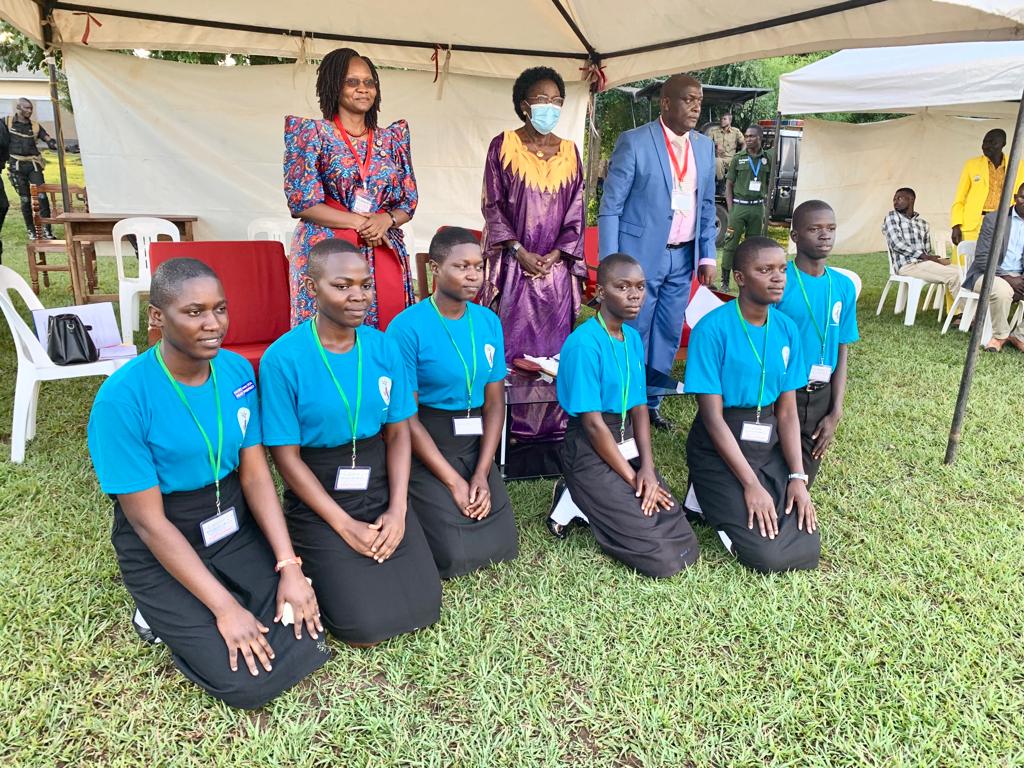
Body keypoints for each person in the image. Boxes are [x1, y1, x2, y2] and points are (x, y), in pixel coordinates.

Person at [87, 258, 329, 710]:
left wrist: (288, 565)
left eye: (219, 309)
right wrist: (225, 609)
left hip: (230, 519)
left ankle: (221, 593)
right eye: (194, 312)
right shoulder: (122, 398)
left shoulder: (236, 372)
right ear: (157, 318)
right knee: (246, 681)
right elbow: (148, 524)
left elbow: (255, 472)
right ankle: (158, 607)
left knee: (308, 630)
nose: (212, 324)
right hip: (165, 531)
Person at [260, 239, 441, 646]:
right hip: (319, 488)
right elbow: (285, 458)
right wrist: (343, 525)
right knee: (362, 625)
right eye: (342, 285)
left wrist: (397, 509)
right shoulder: (282, 359)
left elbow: (398, 433)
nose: (358, 296)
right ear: (312, 289)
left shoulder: (383, 346)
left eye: (365, 285)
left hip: (377, 477)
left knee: (424, 605)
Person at [554, 253, 699, 578]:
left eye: (640, 287)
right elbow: (592, 424)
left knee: (682, 536)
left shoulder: (632, 339)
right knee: (663, 559)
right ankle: (573, 497)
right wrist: (634, 479)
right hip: (591, 449)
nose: (635, 295)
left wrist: (647, 469)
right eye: (623, 287)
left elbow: (638, 409)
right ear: (602, 292)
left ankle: (591, 500)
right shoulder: (583, 344)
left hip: (627, 442)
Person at [387, 227, 518, 578]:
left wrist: (481, 472)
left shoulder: (488, 321)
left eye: (478, 266)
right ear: (435, 268)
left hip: (476, 441)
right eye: (462, 266)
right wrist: (453, 481)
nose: (473, 275)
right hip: (429, 440)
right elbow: (406, 417)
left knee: (503, 544)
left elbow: (494, 403)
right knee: (454, 555)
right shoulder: (406, 327)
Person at [684, 237, 820, 573]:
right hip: (720, 443)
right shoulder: (712, 329)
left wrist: (797, 477)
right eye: (765, 270)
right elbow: (712, 417)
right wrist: (751, 484)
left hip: (766, 440)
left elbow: (787, 411)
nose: (778, 278)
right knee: (767, 556)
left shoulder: (787, 329)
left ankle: (715, 499)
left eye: (782, 269)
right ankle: (708, 499)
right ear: (741, 278)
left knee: (807, 543)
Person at [599, 74, 717, 432]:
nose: (696, 107)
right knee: (635, 328)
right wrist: (610, 264)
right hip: (638, 258)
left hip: (683, 257)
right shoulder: (635, 142)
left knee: (667, 330)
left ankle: (650, 404)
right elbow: (610, 206)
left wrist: (707, 255)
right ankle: (622, 402)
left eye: (699, 100)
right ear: (666, 103)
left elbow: (707, 203)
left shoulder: (704, 147)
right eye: (688, 100)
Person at [480, 65, 585, 443]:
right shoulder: (502, 145)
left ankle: (551, 428)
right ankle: (510, 429)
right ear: (524, 105)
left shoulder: (571, 152)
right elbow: (493, 206)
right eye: (542, 100)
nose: (550, 107)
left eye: (557, 101)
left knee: (552, 352)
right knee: (512, 348)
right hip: (512, 266)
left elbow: (576, 212)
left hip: (554, 272)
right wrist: (519, 250)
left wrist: (557, 256)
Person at [284, 47, 417, 330]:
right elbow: (302, 201)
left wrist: (386, 219)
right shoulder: (312, 134)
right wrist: (358, 222)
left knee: (383, 335)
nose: (363, 89)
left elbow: (409, 200)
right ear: (333, 86)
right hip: (327, 248)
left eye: (369, 82)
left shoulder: (392, 138)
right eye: (352, 82)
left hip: (380, 244)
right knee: (329, 335)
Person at [776, 201, 859, 487]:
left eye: (831, 228)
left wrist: (835, 410)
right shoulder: (780, 281)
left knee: (799, 482)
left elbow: (842, 349)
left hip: (820, 395)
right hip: (781, 392)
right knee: (770, 477)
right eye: (815, 229)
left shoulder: (843, 286)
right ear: (795, 236)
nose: (825, 235)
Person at [967, 182, 1024, 353]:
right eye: (1023, 197)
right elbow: (983, 259)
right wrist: (1009, 279)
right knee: (1002, 290)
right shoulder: (994, 219)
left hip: (1018, 276)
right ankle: (1000, 336)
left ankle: (1019, 336)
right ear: (1015, 198)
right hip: (988, 274)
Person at [882, 187, 961, 301]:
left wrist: (936, 260)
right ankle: (965, 315)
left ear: (911, 200)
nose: (895, 202)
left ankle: (979, 311)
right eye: (894, 199)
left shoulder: (923, 224)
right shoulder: (892, 216)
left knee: (964, 273)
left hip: (925, 263)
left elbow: (927, 250)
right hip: (908, 266)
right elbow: (897, 244)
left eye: (899, 198)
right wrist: (925, 257)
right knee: (955, 276)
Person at [951, 129, 1024, 245]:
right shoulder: (971, 165)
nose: (986, 146)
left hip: (1005, 222)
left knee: (1003, 260)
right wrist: (955, 225)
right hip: (974, 225)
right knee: (972, 260)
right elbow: (959, 198)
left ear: (1003, 143)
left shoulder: (1018, 165)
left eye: (992, 142)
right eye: (984, 142)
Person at [721, 125, 771, 291]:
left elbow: (771, 183)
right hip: (739, 207)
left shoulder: (767, 158)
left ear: (760, 138)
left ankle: (750, 280)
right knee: (730, 243)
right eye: (747, 136)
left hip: (757, 208)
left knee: (754, 246)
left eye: (752, 136)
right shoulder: (738, 158)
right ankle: (725, 281)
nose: (748, 139)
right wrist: (730, 208)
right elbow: (729, 184)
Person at [4, 98, 57, 241]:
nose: (29, 111)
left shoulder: (35, 126)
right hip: (16, 166)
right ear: (18, 108)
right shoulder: (6, 122)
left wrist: (52, 143)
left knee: (42, 197)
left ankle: (47, 229)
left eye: (31, 108)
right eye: (26, 108)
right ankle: (31, 230)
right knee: (25, 199)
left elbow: (46, 137)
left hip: (33, 165)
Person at [705, 110, 745, 183]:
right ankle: (721, 183)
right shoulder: (714, 131)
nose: (722, 120)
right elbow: (706, 143)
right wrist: (715, 146)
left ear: (730, 121)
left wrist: (740, 154)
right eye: (721, 119)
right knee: (718, 161)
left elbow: (744, 142)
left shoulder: (735, 131)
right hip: (719, 158)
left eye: (724, 119)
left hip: (732, 159)